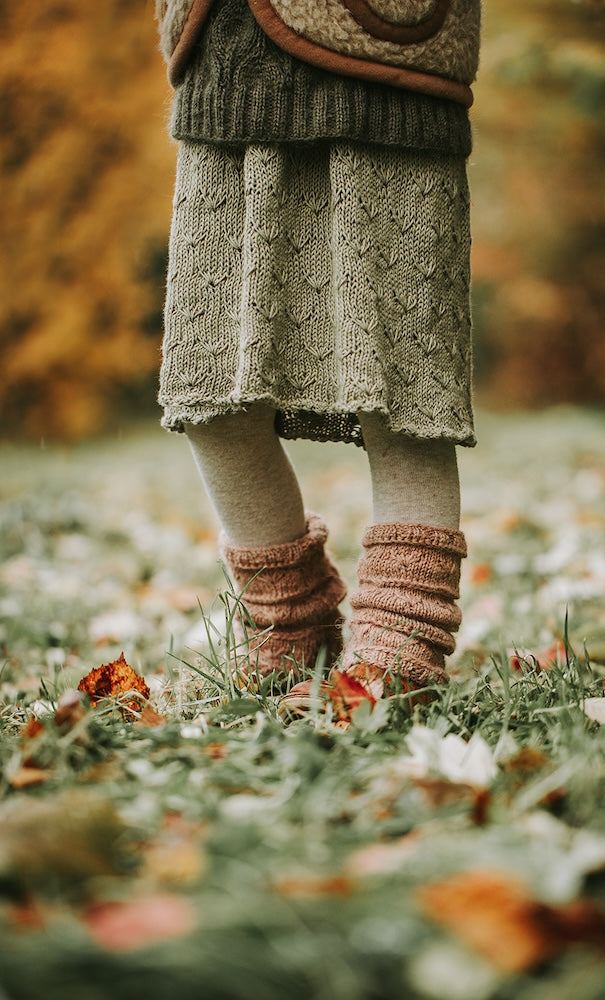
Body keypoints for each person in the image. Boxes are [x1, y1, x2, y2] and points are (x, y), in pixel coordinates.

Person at [155, 0, 480, 692]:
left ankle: (401, 644)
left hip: (388, 68)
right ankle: (289, 629)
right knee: (207, 387)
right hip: (220, 71)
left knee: (404, 388)